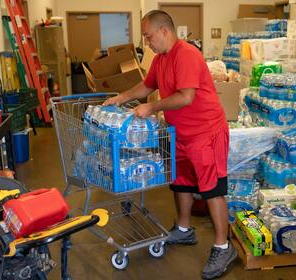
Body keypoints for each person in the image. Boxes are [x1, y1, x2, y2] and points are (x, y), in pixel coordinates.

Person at [103, 10, 237, 280]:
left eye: (149, 36)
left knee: (212, 189)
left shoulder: (186, 54)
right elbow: (145, 85)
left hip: (205, 131)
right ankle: (184, 230)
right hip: (181, 132)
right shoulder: (161, 58)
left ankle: (223, 246)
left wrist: (152, 107)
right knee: (181, 182)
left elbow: (186, 97)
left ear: (164, 31)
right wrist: (119, 98)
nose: (147, 42)